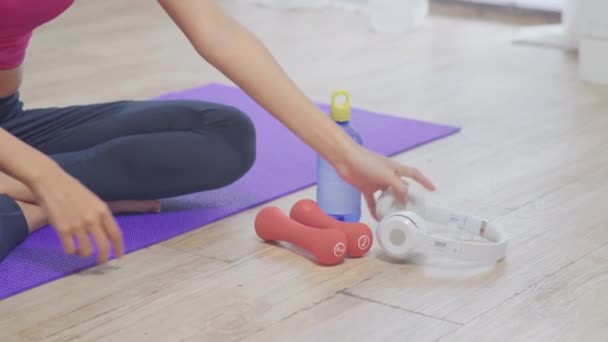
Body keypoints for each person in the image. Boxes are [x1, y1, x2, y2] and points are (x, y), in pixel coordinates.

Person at [0, 0, 436, 264]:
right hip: (23, 156)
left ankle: (19, 189)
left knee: (223, 134)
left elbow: (218, 31)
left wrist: (344, 153)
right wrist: (47, 179)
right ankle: (43, 204)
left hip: (10, 124)